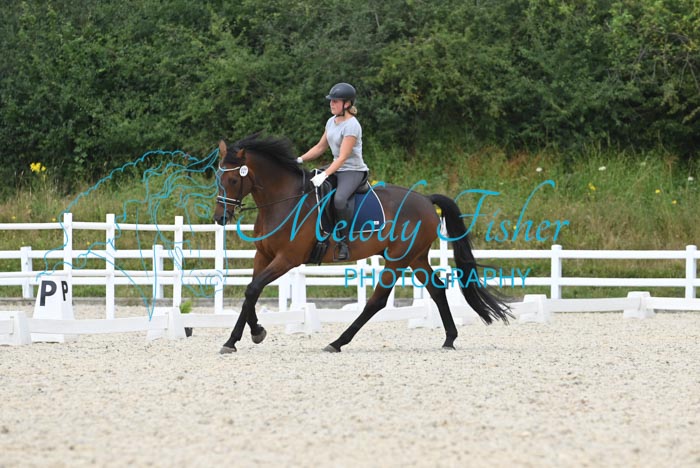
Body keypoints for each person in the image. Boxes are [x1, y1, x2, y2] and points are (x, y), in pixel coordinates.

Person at [297, 82, 368, 261]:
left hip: (352, 170)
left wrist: (325, 174)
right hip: (336, 167)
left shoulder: (352, 125)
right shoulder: (331, 121)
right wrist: (299, 159)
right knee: (309, 188)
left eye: (335, 101)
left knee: (339, 199)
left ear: (347, 104)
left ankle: (344, 242)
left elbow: (343, 157)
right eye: (331, 100)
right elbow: (320, 147)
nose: (331, 104)